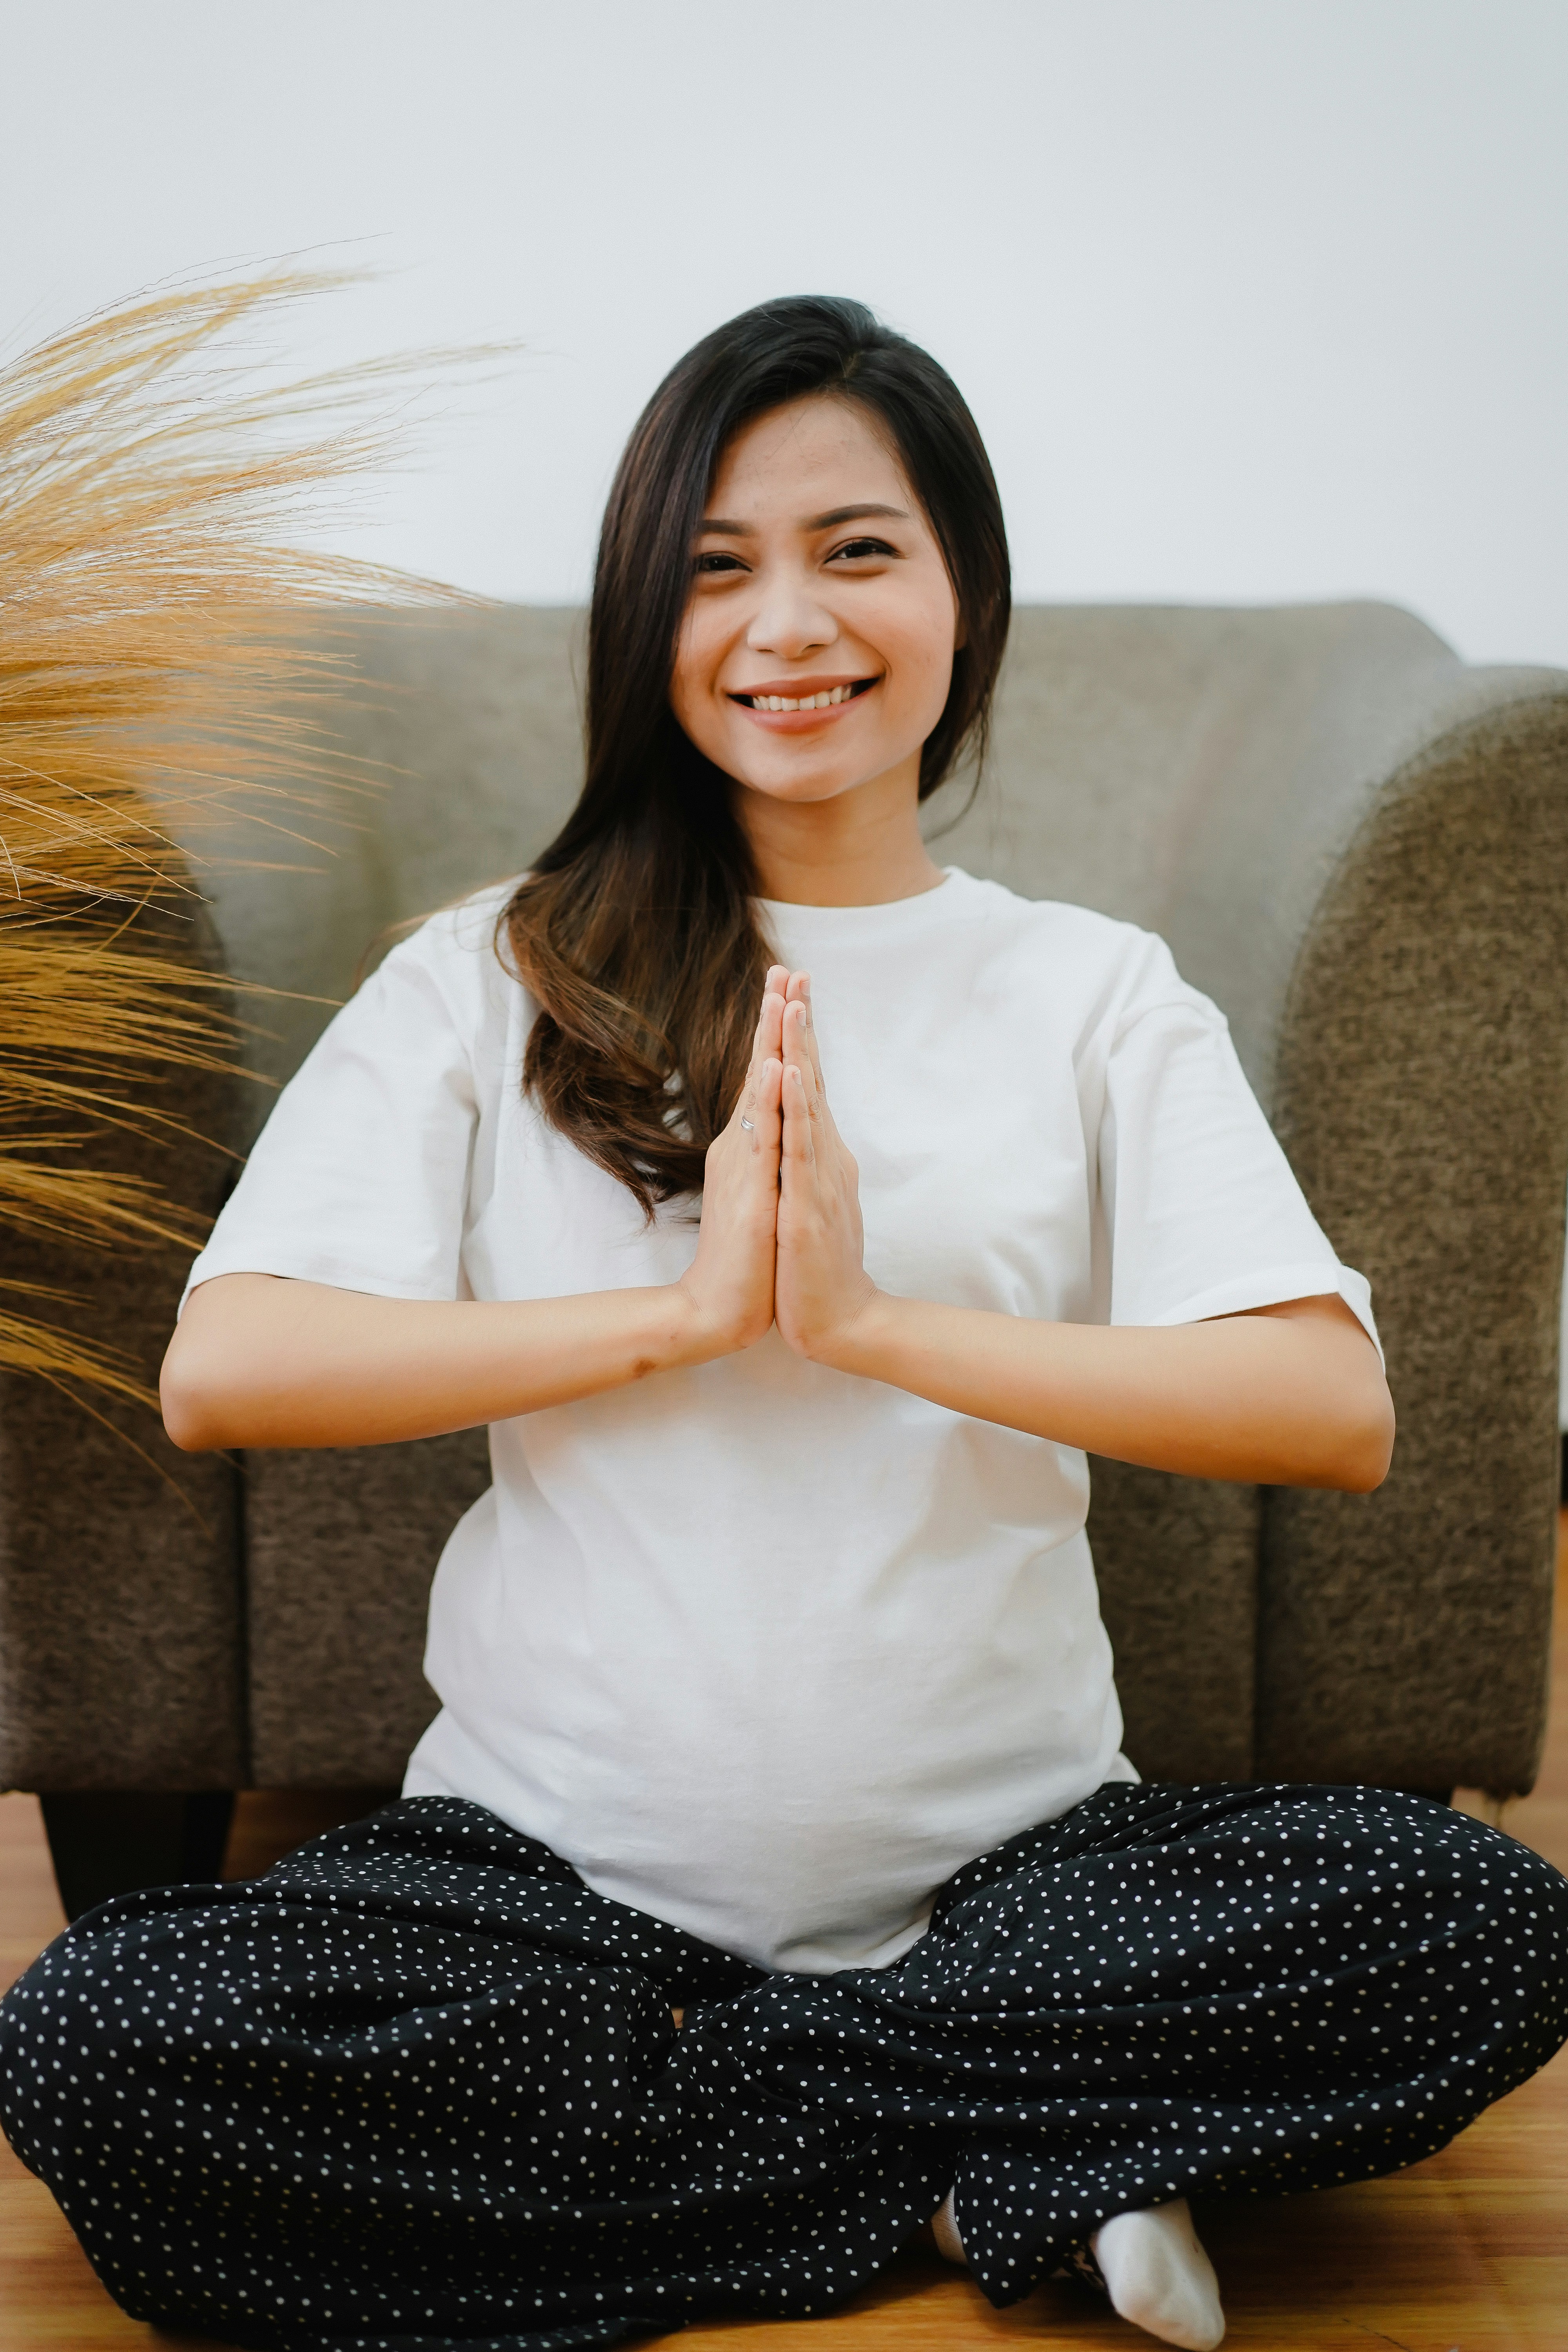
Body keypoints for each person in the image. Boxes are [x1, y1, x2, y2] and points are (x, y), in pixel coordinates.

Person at [2, 296, 1564, 2352]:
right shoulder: (495, 975)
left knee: (1479, 1930)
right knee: (97, 2035)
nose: (787, 624)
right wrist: (677, 1319)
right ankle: (998, 2161)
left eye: (855, 549)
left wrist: (869, 1318)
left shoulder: (1092, 994)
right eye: (717, 567)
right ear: (649, 623)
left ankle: (761, 2150)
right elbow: (234, 1369)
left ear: (959, 595)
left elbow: (1330, 1409)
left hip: (1020, 1882)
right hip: (539, 1886)